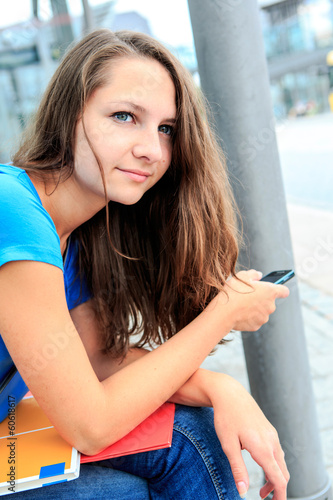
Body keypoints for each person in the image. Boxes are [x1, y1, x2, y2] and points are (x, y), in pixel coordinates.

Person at [0, 29, 290, 499]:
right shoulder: (11, 207)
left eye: (165, 129)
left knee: (190, 434)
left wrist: (220, 388)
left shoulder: (77, 233)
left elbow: (98, 358)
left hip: (10, 434)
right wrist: (223, 313)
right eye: (124, 116)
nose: (152, 151)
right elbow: (89, 425)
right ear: (68, 114)